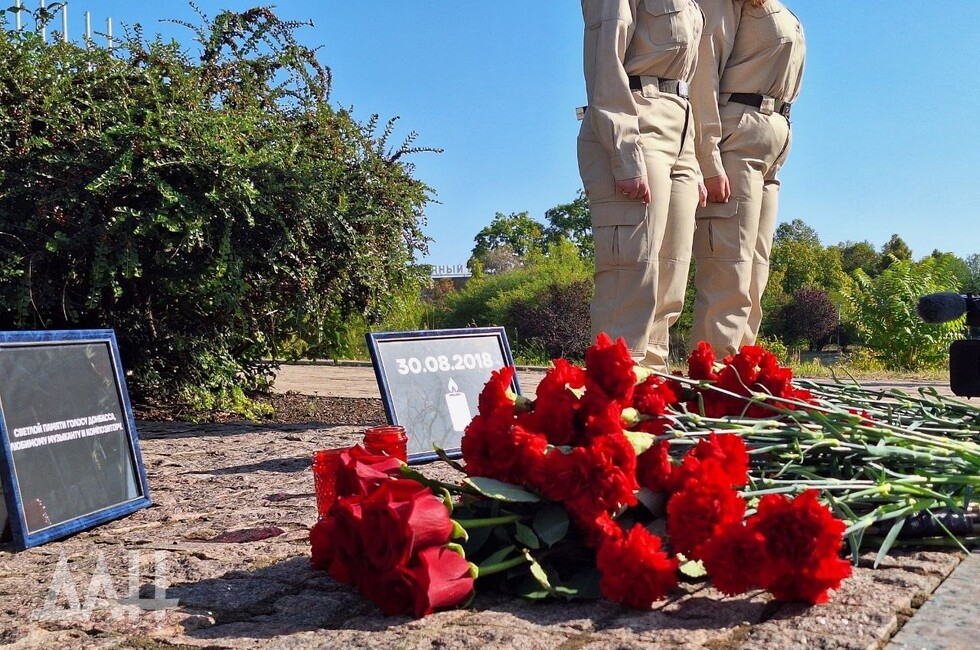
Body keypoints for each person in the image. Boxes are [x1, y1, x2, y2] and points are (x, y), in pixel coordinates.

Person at [577, 0, 707, 371]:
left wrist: (694, 161)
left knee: (671, 274)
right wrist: (624, 153)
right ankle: (616, 386)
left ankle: (650, 384)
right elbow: (605, 62)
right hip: (636, 120)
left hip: (680, 128)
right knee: (632, 272)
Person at [688, 0, 806, 356]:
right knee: (728, 271)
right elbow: (703, 71)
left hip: (772, 145)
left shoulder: (776, 8)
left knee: (755, 274)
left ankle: (740, 370)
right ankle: (714, 374)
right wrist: (708, 159)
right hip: (735, 138)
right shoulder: (727, 3)